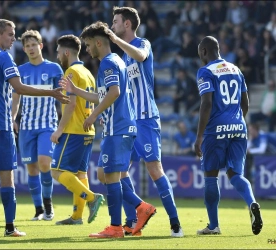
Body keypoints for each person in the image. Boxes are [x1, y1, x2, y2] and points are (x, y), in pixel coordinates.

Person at [60, 21, 155, 238]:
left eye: (88, 44)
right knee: (105, 174)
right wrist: (76, 90)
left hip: (118, 127)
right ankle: (138, 210)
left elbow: (114, 92)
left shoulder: (108, 63)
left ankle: (117, 226)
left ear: (99, 42)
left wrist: (94, 115)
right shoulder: (116, 61)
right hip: (121, 127)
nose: (87, 49)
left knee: (110, 177)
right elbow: (103, 95)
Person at [0, 19, 69, 237]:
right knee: (6, 177)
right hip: (1, 122)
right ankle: (9, 228)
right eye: (10, 34)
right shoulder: (4, 57)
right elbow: (18, 87)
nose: (13, 39)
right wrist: (49, 92)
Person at [107, 6, 183, 237]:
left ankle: (175, 223)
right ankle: (133, 220)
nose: (112, 26)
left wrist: (113, 40)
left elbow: (140, 56)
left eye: (116, 22)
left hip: (146, 118)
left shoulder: (143, 44)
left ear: (127, 24)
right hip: (128, 120)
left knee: (154, 169)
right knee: (118, 171)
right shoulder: (121, 58)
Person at [193, 36, 263, 235]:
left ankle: (214, 225)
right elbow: (245, 102)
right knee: (235, 174)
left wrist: (199, 137)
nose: (200, 58)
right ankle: (252, 203)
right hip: (239, 127)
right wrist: (236, 122)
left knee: (210, 175)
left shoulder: (205, 71)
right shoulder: (235, 69)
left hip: (215, 129)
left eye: (200, 54)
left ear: (205, 51)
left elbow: (206, 103)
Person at [51, 34, 104, 226]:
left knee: (56, 171)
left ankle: (91, 198)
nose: (57, 56)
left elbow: (71, 105)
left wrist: (59, 130)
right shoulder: (88, 72)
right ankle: (76, 216)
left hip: (73, 130)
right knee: (80, 174)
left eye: (58, 52)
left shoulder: (71, 73)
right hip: (87, 130)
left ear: (66, 52)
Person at [12, 30, 64, 221]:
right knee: (31, 169)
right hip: (26, 126)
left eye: (34, 44)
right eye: (27, 46)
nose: (31, 48)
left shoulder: (54, 69)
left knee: (44, 163)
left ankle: (49, 207)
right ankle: (38, 209)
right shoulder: (21, 71)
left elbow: (64, 97)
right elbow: (16, 98)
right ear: (24, 49)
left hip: (47, 124)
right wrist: (13, 118)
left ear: (41, 46)